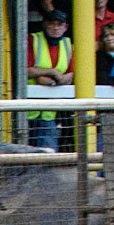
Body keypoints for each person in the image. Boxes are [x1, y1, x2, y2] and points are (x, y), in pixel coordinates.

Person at [27, 8, 74, 149]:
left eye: (59, 24)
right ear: (44, 24)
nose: (55, 28)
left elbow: (71, 75)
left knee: (48, 155)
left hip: (50, 112)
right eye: (51, 24)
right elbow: (25, 71)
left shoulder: (67, 45)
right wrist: (53, 72)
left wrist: (50, 80)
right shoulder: (32, 39)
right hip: (26, 110)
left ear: (65, 27)